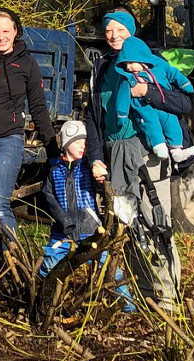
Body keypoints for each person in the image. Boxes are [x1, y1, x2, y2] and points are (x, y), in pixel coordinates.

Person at [85, 10, 190, 307]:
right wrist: (95, 157)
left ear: (131, 31)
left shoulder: (151, 62)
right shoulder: (101, 69)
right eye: (109, 30)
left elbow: (183, 103)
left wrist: (148, 93)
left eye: (120, 29)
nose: (113, 35)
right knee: (126, 225)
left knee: (155, 220)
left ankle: (167, 296)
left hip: (148, 155)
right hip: (114, 152)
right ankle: (142, 293)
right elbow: (94, 118)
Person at [0, 7, 59, 267]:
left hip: (7, 140)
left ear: (16, 31)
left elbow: (38, 107)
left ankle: (16, 262)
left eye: (6, 31)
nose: (0, 36)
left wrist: (53, 147)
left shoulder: (26, 63)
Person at [38, 121, 134, 310]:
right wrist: (63, 220)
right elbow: (48, 197)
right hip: (62, 235)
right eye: (77, 142)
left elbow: (101, 186)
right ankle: (42, 301)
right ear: (65, 146)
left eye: (85, 142)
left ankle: (129, 307)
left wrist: (102, 178)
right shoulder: (55, 170)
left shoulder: (87, 168)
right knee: (48, 267)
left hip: (90, 232)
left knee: (110, 270)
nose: (83, 146)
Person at [114, 37, 194, 164]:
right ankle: (159, 146)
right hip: (143, 107)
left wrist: (185, 84)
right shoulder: (127, 78)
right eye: (126, 64)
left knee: (172, 121)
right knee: (150, 122)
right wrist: (122, 115)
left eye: (131, 63)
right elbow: (123, 97)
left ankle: (177, 150)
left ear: (141, 58)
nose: (128, 68)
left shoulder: (159, 64)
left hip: (162, 104)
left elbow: (173, 73)